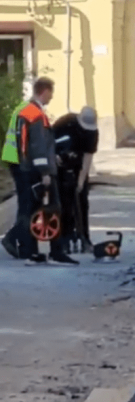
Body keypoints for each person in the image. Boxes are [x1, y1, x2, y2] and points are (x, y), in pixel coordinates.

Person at [1, 77, 78, 265]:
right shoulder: (35, 115)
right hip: (32, 169)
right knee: (51, 208)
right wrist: (45, 172)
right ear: (44, 91)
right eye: (51, 94)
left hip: (20, 165)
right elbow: (38, 146)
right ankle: (52, 251)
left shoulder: (24, 109)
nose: (51, 98)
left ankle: (30, 250)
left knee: (31, 208)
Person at [51, 106, 99, 252]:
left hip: (78, 166)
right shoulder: (64, 123)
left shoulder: (92, 132)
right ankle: (65, 239)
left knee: (82, 203)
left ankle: (85, 238)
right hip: (60, 166)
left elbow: (88, 157)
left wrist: (81, 181)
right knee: (64, 204)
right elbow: (48, 142)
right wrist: (54, 157)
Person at [1, 96, 30, 259]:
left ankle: (23, 242)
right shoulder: (28, 111)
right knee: (28, 204)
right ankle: (13, 238)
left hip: (13, 159)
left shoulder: (21, 107)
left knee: (25, 204)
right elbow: (25, 141)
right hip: (19, 162)